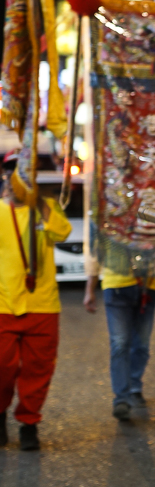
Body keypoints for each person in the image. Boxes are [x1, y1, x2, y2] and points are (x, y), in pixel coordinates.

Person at [0, 149, 72, 450]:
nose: (18, 175)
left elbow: (63, 233)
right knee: (2, 369)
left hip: (43, 304)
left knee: (38, 370)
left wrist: (37, 200)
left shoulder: (46, 206)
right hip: (4, 304)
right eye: (12, 170)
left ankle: (29, 422)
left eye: (24, 169)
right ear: (4, 175)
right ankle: (0, 414)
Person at [83, 256, 155, 421]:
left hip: (148, 285)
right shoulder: (101, 227)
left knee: (142, 344)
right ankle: (122, 398)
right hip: (116, 285)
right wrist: (90, 288)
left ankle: (134, 385)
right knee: (120, 343)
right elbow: (94, 251)